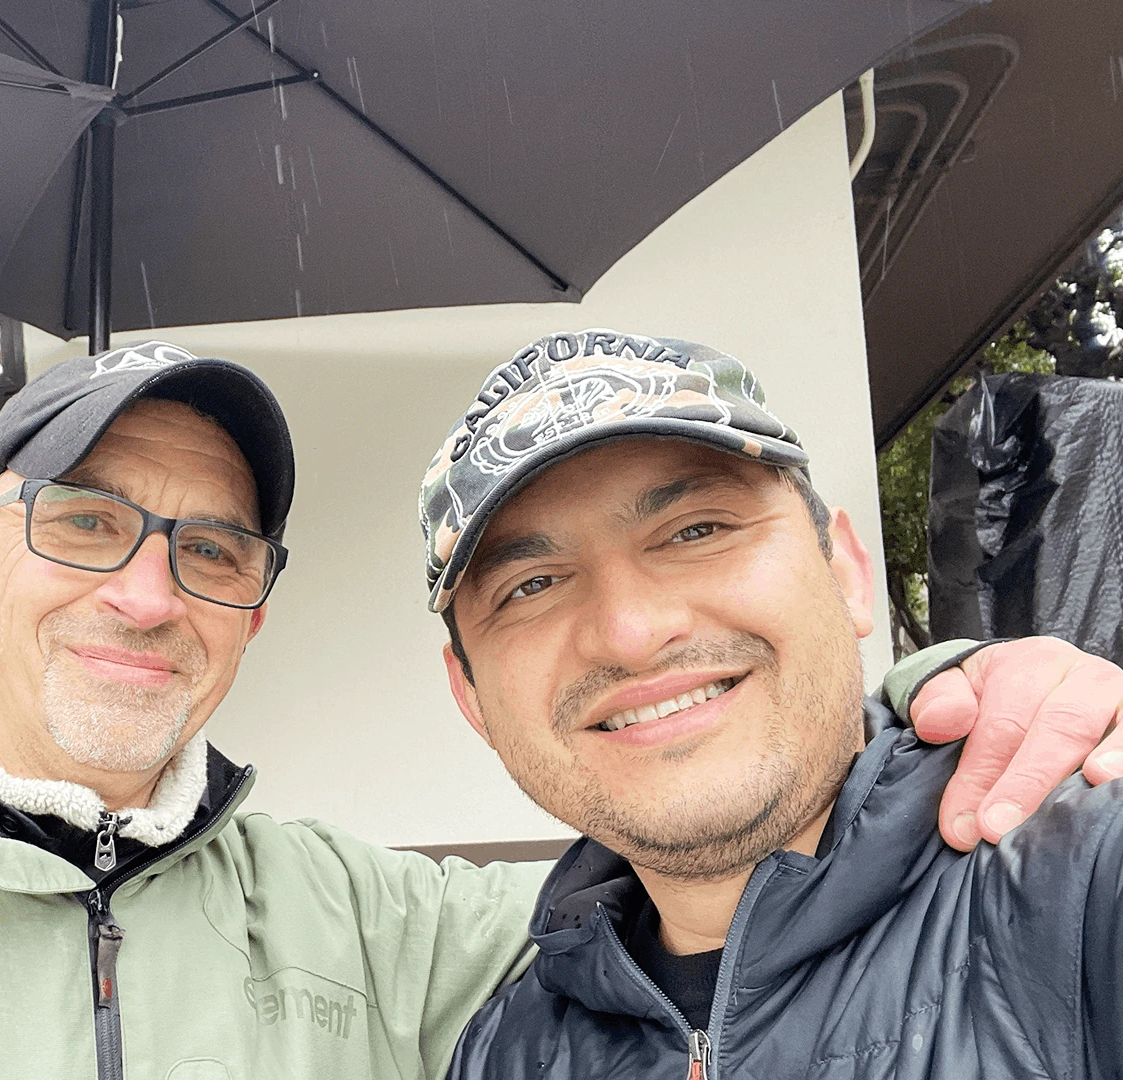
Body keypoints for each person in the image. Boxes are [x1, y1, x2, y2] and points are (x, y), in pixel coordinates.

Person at [0, 340, 1120, 1080]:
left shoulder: (404, 941)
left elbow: (712, 837)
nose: (148, 594)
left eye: (211, 549)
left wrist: (940, 699)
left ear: (255, 605)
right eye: (84, 524)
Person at [428, 330, 1123, 1080]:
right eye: (530, 586)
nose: (629, 634)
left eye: (697, 530)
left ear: (849, 574)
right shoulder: (506, 1050)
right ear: (473, 701)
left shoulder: (1084, 882)